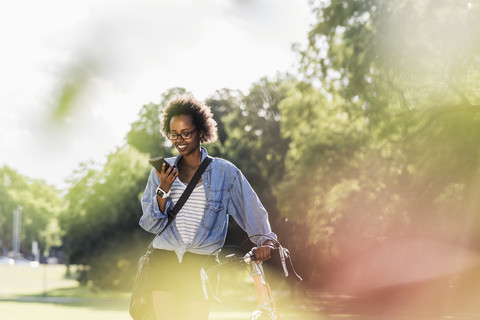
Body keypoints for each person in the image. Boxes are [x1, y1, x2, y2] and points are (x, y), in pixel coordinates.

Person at [139, 94, 277, 320]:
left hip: (201, 263)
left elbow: (251, 209)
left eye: (186, 133)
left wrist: (266, 241)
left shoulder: (226, 173)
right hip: (164, 259)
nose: (180, 140)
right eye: (174, 135)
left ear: (201, 132)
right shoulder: (161, 173)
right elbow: (151, 224)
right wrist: (163, 188)